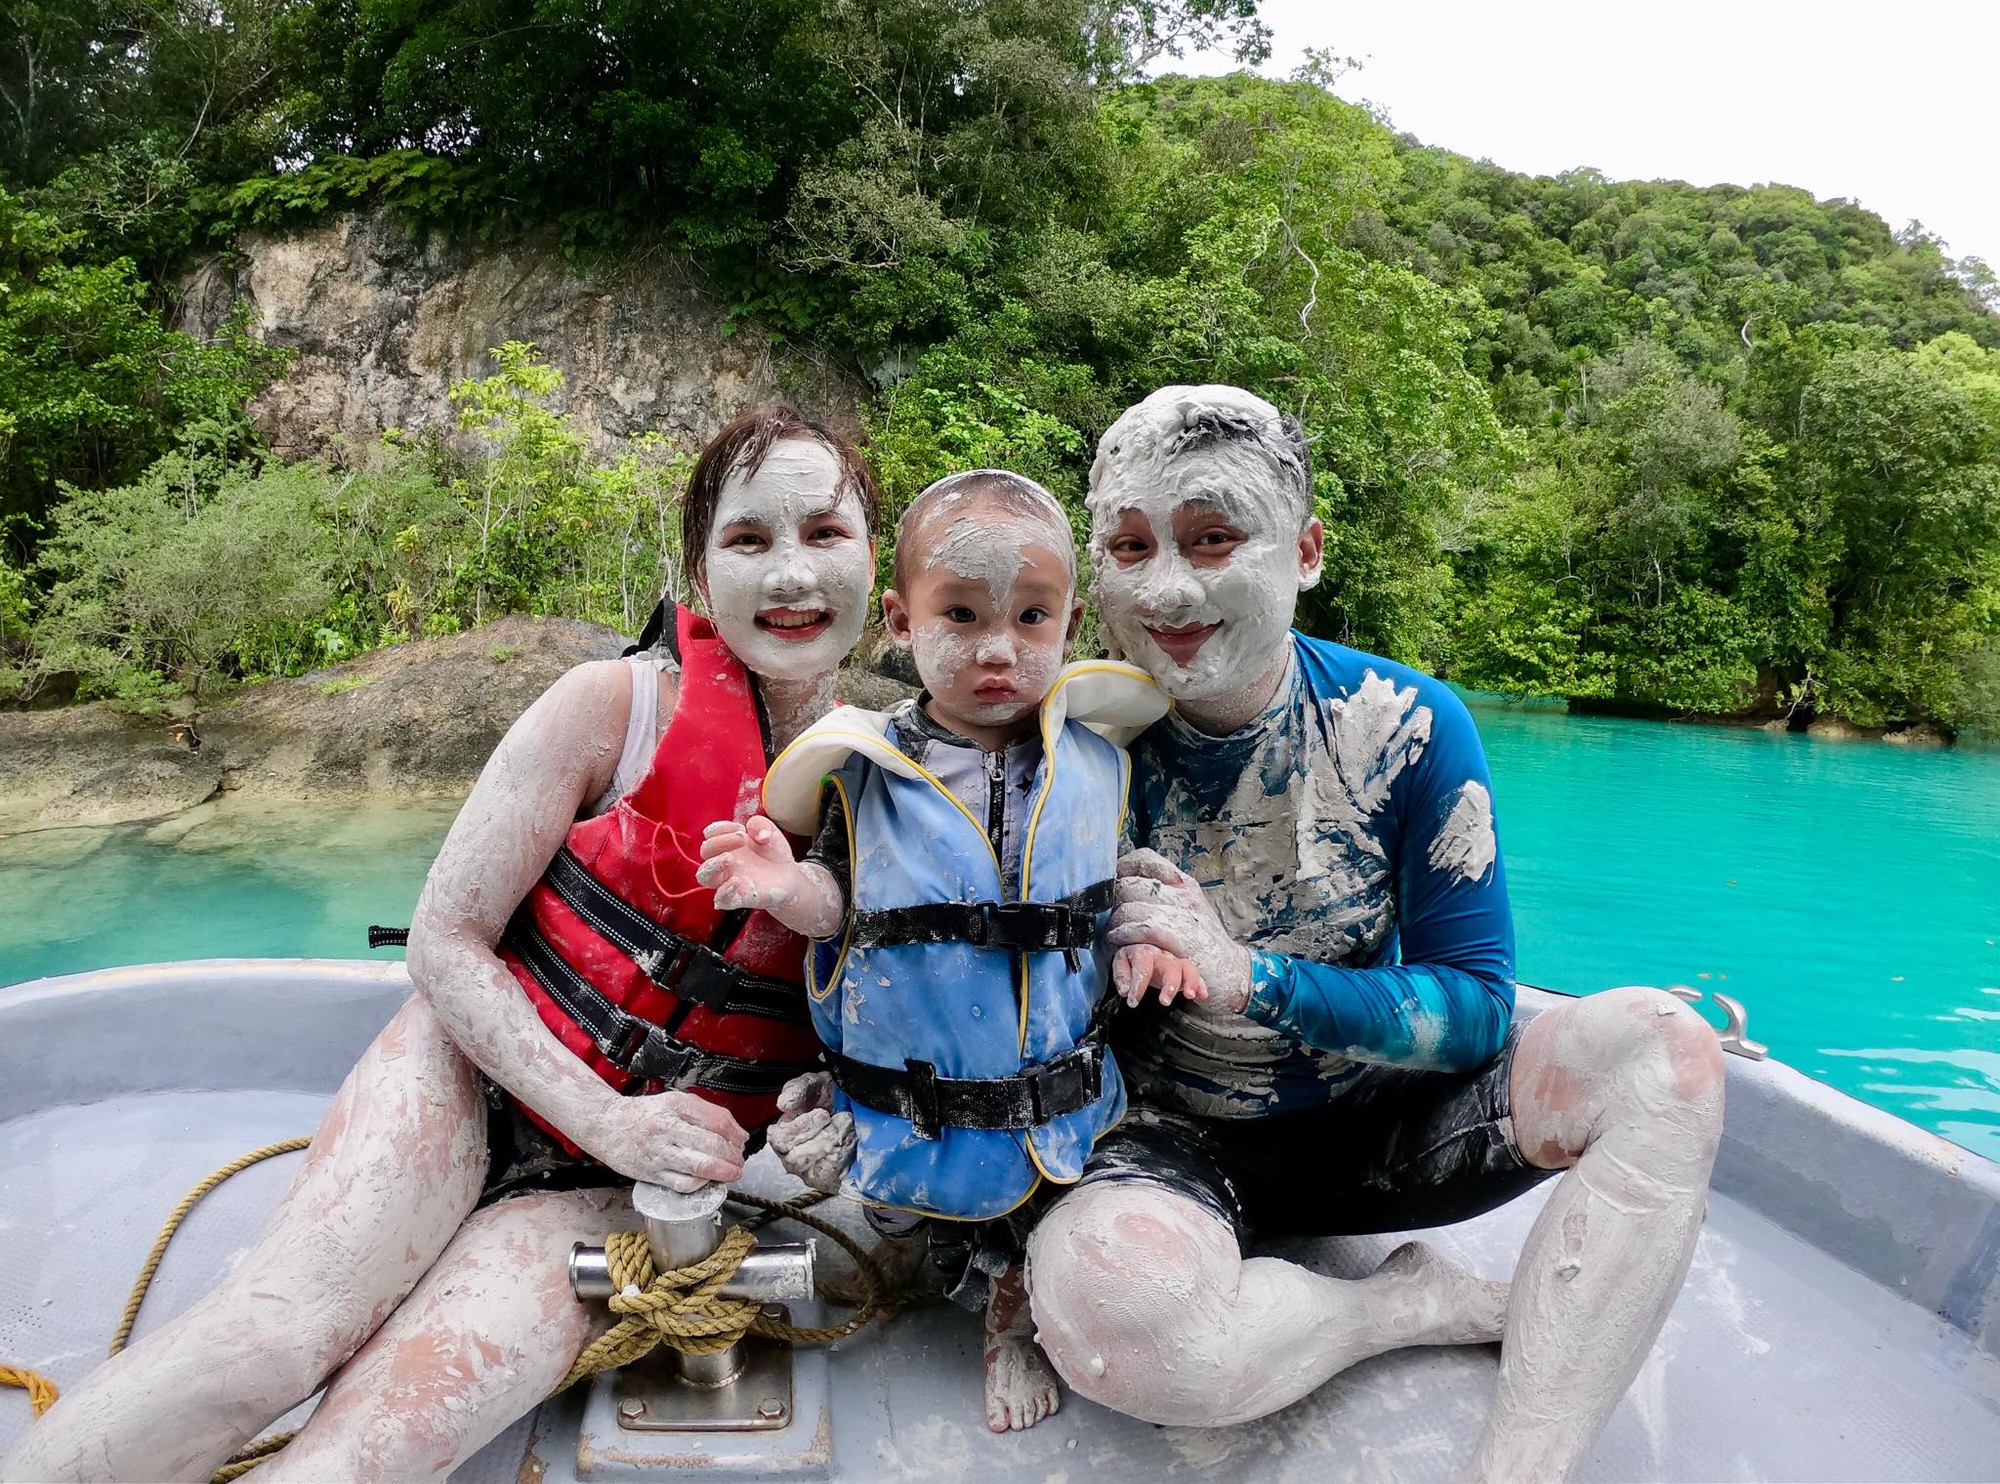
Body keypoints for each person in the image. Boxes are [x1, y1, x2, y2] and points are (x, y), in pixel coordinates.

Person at [1, 404, 882, 1484]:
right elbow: (444, 940)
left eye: (824, 534)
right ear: (701, 574)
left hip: (621, 1185)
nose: (789, 574)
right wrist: (606, 1113)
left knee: (370, 1455)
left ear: (874, 571)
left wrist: (826, 1108)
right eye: (749, 540)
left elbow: (879, 1033)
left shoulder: (902, 805)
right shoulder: (608, 708)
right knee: (267, 1340)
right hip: (470, 1074)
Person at [1021, 385, 1727, 1482]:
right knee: (1118, 1335)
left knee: (1662, 1051)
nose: (1165, 586)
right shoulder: (1057, 750)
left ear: (1302, 551)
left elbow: (1478, 1009)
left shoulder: (1403, 726)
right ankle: (1398, 1308)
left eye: (1212, 538)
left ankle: (1521, 1466)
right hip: (1163, 1140)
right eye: (1128, 545)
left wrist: (1246, 975)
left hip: (1383, 1127)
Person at [695, 469, 1176, 1433]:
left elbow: (1109, 882)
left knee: (1032, 1215)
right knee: (899, 1213)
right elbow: (845, 903)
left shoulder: (1094, 762)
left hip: (1050, 1085)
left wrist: (1149, 943)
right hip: (909, 1084)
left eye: (1032, 619)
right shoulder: (866, 769)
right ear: (901, 622)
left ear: (1071, 623)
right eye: (961, 614)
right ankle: (917, 1242)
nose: (1000, 650)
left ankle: (1010, 1317)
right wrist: (786, 888)